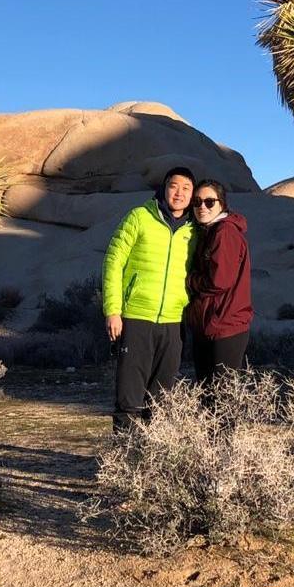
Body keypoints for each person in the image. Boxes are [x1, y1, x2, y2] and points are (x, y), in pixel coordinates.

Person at [101, 166, 196, 431]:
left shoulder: (194, 230)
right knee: (129, 397)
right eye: (174, 186)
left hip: (173, 322)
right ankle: (124, 454)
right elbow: (113, 262)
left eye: (186, 189)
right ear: (164, 188)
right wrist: (113, 310)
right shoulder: (139, 217)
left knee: (161, 400)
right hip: (136, 317)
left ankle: (152, 456)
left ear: (192, 195)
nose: (179, 193)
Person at [186, 179, 252, 383]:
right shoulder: (208, 231)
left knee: (222, 395)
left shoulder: (224, 232)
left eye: (209, 202)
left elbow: (219, 280)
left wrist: (190, 281)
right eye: (196, 202)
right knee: (209, 393)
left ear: (221, 204)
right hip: (211, 324)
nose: (202, 207)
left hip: (225, 324)